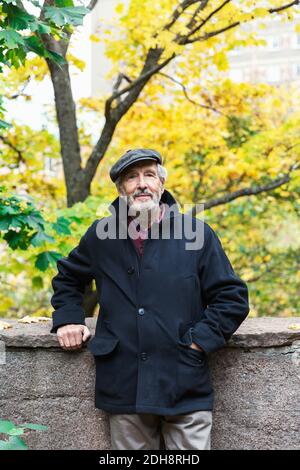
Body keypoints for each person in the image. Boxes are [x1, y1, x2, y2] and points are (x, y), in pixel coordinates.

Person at [50, 148, 249, 450]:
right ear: (121, 189)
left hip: (184, 381)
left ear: (161, 185)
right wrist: (68, 319)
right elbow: (67, 278)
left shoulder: (197, 232)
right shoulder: (101, 236)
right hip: (124, 381)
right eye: (131, 177)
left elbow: (231, 297)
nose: (141, 183)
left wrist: (197, 343)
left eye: (149, 175)